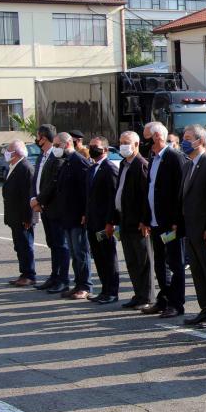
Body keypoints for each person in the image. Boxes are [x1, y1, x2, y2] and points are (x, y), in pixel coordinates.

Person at [141, 122, 187, 318]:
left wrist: (178, 220)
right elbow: (150, 189)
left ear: (157, 136)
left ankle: (176, 303)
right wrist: (145, 218)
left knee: (175, 264)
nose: (144, 142)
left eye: (146, 138)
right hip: (155, 220)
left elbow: (181, 191)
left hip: (171, 223)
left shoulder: (174, 157)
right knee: (160, 263)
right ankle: (164, 299)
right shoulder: (154, 157)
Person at [38, 132, 93, 298]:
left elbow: (86, 190)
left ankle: (85, 286)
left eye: (56, 145)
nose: (54, 149)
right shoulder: (66, 161)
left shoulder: (79, 161)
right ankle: (78, 284)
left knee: (81, 252)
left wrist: (85, 212)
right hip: (66, 216)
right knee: (74, 254)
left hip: (77, 216)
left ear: (67, 144)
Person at [180, 124, 206, 328]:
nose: (184, 141)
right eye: (184, 137)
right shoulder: (189, 164)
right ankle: (204, 308)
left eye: (188, 138)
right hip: (191, 228)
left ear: (200, 141)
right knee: (197, 270)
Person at [109, 131, 154, 311]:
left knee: (144, 261)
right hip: (124, 220)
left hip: (138, 223)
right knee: (131, 261)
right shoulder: (123, 163)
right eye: (121, 142)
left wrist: (145, 220)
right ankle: (138, 294)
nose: (123, 146)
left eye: (127, 142)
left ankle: (147, 297)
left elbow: (146, 197)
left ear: (136, 145)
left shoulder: (141, 165)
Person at [31, 124, 69, 292]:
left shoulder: (57, 158)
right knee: (52, 244)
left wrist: (39, 199)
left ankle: (63, 278)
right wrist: (34, 198)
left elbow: (53, 183)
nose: (36, 139)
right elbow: (36, 180)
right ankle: (54, 276)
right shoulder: (42, 156)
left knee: (61, 244)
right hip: (44, 206)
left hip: (55, 207)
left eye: (38, 136)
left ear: (43, 138)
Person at [85, 136, 120, 304]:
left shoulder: (109, 168)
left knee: (108, 256)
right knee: (98, 257)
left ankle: (112, 291)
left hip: (104, 223)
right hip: (92, 222)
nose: (92, 149)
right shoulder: (92, 168)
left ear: (105, 150)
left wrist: (110, 222)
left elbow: (113, 198)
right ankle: (104, 290)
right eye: (90, 146)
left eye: (96, 147)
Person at [2, 141, 38, 286]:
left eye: (8, 150)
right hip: (14, 215)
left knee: (25, 245)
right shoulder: (13, 166)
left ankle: (29, 275)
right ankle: (24, 273)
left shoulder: (25, 168)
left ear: (16, 152)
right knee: (19, 245)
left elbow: (28, 195)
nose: (6, 152)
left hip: (23, 217)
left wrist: (28, 217)